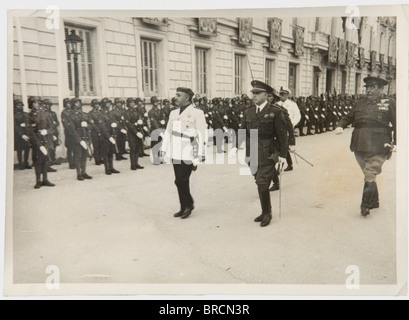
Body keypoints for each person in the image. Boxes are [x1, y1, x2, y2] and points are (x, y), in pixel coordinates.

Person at [335, 76, 396, 217]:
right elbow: (348, 117)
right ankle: (374, 201)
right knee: (368, 174)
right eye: (367, 87)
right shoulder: (359, 103)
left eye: (373, 87)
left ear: (381, 89)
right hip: (359, 143)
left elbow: (398, 122)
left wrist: (397, 142)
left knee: (370, 172)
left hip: (378, 144)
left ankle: (365, 205)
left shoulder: (390, 103)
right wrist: (340, 126)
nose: (369, 90)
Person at [231, 81, 288, 227]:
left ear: (267, 95)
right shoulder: (249, 111)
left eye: (257, 93)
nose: (254, 96)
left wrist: (282, 155)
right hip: (252, 151)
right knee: (258, 180)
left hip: (267, 150)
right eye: (253, 93)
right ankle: (264, 211)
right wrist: (235, 147)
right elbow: (242, 130)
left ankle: (267, 212)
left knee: (262, 182)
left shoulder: (275, 111)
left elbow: (282, 135)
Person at [160, 87, 207, 220]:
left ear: (187, 98)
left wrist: (201, 153)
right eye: (176, 95)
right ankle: (184, 205)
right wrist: (163, 148)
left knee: (181, 179)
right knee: (180, 180)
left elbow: (202, 133)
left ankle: (188, 205)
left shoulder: (197, 113)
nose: (176, 97)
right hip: (175, 149)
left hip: (189, 149)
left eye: (179, 95)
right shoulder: (173, 113)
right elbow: (168, 131)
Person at [27, 96, 55, 189]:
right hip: (37, 141)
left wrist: (47, 131)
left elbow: (51, 127)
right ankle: (38, 180)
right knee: (38, 161)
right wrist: (38, 145)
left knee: (46, 160)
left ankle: (45, 179)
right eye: (34, 103)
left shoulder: (45, 114)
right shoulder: (29, 116)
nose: (36, 105)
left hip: (45, 139)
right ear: (31, 105)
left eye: (38, 103)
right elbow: (30, 132)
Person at [65, 98, 93, 181]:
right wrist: (79, 140)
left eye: (79, 102)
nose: (78, 104)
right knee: (78, 156)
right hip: (77, 138)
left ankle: (84, 172)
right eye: (76, 103)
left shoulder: (84, 114)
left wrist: (86, 125)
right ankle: (79, 174)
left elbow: (91, 126)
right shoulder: (71, 115)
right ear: (73, 105)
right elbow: (72, 130)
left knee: (84, 155)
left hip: (85, 137)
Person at [277, 87, 300, 172]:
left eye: (283, 94)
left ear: (287, 95)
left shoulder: (292, 104)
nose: (281, 96)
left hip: (287, 128)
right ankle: (290, 164)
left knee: (284, 146)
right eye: (280, 94)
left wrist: (291, 124)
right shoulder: (277, 104)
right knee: (283, 147)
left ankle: (280, 167)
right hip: (278, 128)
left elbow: (298, 116)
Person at [124, 97, 145, 171]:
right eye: (131, 103)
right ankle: (132, 165)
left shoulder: (136, 111)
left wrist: (141, 129)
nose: (133, 104)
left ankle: (136, 163)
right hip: (132, 133)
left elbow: (139, 119)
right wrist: (136, 133)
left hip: (138, 131)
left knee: (137, 148)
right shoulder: (127, 112)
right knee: (133, 148)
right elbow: (129, 124)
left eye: (133, 102)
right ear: (128, 104)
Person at [14, 99, 31, 170]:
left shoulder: (25, 114)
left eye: (21, 105)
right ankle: (20, 164)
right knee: (19, 150)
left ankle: (26, 163)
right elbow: (15, 126)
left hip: (26, 133)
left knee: (27, 148)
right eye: (18, 105)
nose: (20, 106)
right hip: (19, 135)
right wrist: (21, 134)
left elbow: (29, 122)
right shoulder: (13, 115)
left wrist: (26, 125)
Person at [61, 98, 75, 169]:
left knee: (75, 147)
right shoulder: (64, 112)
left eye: (70, 103)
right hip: (69, 132)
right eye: (67, 103)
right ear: (65, 104)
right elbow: (65, 123)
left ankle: (75, 162)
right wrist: (70, 130)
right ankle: (71, 163)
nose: (69, 105)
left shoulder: (72, 111)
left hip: (74, 131)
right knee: (70, 148)